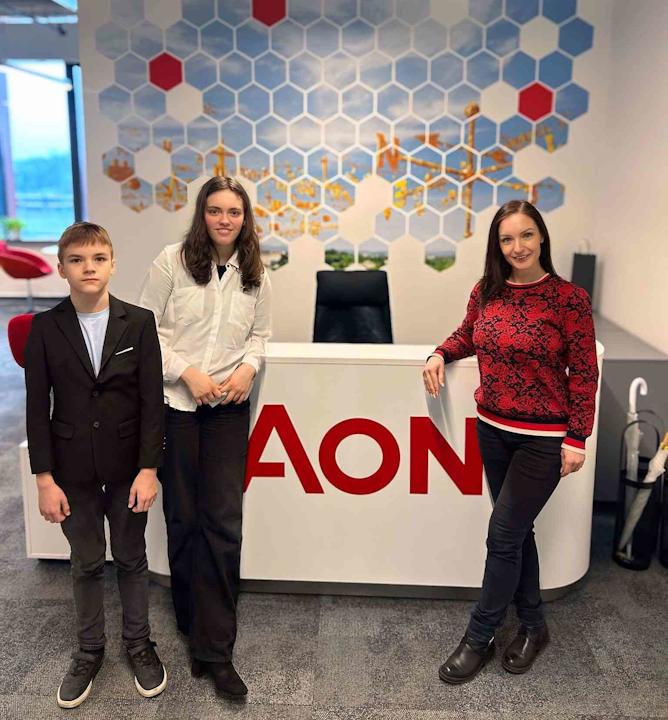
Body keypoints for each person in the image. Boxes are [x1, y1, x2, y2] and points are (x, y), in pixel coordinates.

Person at [423, 200, 598, 684]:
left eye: (525, 235)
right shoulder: (487, 290)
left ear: (541, 237)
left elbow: (585, 373)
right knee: (518, 533)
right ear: (496, 246)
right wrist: (439, 353)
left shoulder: (568, 298)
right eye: (506, 239)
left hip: (542, 439)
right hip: (492, 429)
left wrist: (577, 436)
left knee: (502, 536)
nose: (517, 247)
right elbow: (468, 335)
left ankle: (478, 636)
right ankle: (534, 625)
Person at [24, 222, 167, 708]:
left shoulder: (139, 322)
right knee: (85, 562)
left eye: (98, 258)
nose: (89, 268)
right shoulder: (45, 328)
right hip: (71, 470)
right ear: (61, 268)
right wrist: (44, 479)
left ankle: (139, 643)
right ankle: (89, 650)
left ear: (112, 264)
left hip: (129, 468)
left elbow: (151, 402)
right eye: (78, 260)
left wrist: (149, 469)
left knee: (130, 557)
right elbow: (36, 408)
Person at [139, 176, 271, 698]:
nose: (224, 220)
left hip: (226, 411)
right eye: (215, 210)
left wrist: (249, 367)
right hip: (176, 406)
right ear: (202, 214)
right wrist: (185, 372)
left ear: (245, 218)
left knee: (222, 523)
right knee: (183, 519)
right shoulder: (170, 261)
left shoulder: (256, 271)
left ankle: (216, 651)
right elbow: (144, 331)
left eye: (234, 212)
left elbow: (260, 334)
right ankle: (191, 624)